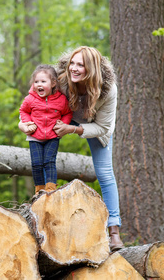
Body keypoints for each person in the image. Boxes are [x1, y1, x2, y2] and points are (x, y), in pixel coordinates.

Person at [19, 46, 124, 252]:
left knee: (104, 174)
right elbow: (32, 102)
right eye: (72, 63)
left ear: (91, 69)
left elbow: (103, 127)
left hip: (94, 126)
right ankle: (41, 212)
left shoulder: (108, 89)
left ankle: (114, 232)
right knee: (41, 161)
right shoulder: (59, 78)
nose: (74, 69)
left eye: (80, 65)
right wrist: (23, 124)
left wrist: (73, 129)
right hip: (58, 118)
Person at [19, 64, 73, 195]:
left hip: (53, 136)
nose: (39, 85)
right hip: (34, 136)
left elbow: (68, 113)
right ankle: (39, 189)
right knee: (36, 164)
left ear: (53, 83)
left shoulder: (61, 100)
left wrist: (63, 124)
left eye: (43, 81)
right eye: (36, 82)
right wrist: (27, 123)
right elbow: (23, 111)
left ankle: (50, 189)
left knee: (49, 161)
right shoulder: (30, 99)